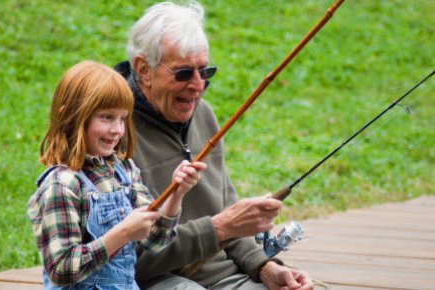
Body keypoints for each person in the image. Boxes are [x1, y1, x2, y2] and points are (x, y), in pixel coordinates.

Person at [114, 1, 313, 289]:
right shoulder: (112, 131)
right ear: (143, 69)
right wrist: (219, 228)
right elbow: (128, 259)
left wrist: (266, 268)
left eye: (205, 71)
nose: (198, 86)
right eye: (183, 73)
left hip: (224, 276)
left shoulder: (203, 115)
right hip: (157, 281)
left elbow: (229, 217)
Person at [27, 60, 206, 290]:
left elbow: (156, 239)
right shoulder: (62, 185)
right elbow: (62, 269)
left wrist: (177, 193)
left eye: (122, 118)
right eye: (106, 117)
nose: (117, 130)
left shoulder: (124, 172)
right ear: (71, 117)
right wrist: (122, 233)